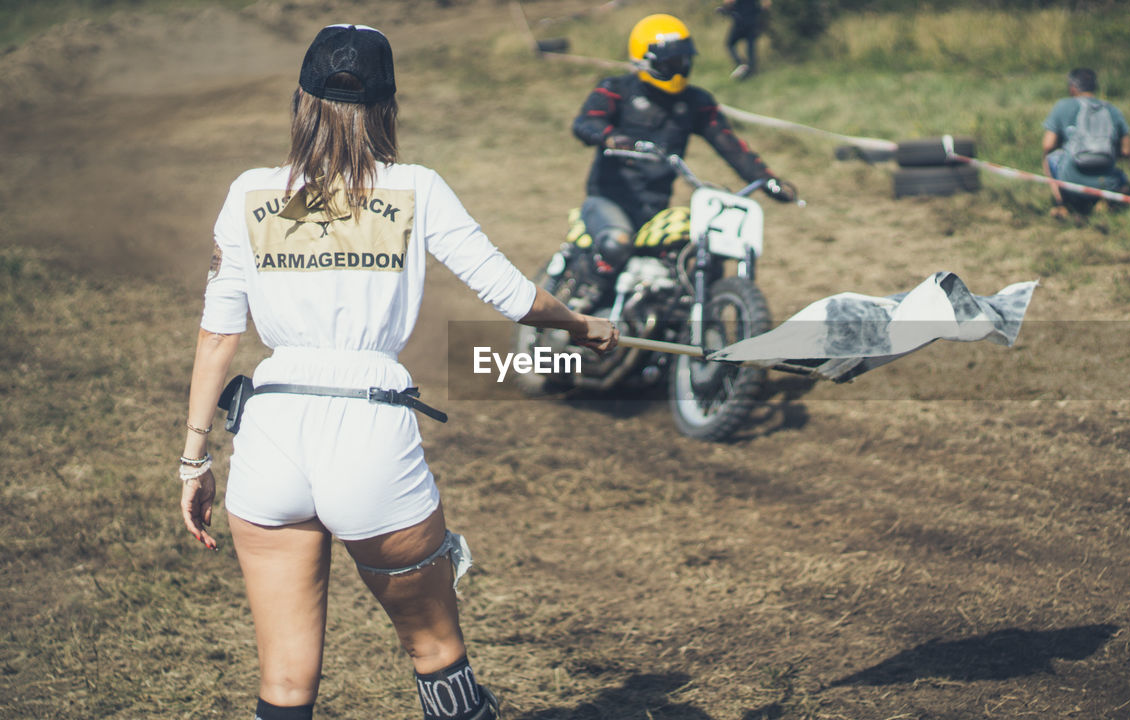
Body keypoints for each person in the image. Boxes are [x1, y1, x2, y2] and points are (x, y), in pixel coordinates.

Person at [177, 24, 617, 720]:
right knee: (437, 652)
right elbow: (509, 295)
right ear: (389, 105)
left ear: (300, 99)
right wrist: (581, 325)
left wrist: (192, 463)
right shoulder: (416, 188)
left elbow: (217, 335)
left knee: (285, 686)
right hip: (370, 433)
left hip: (270, 435)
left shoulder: (248, 193)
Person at [570, 13, 795, 310]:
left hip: (655, 209)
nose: (680, 69)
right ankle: (583, 302)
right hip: (608, 199)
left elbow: (731, 145)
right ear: (645, 62)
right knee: (617, 243)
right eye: (670, 63)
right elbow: (586, 122)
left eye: (684, 60)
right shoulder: (616, 89)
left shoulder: (696, 102)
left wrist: (768, 181)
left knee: (697, 252)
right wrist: (609, 137)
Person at [1041, 68, 1130, 219]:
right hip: (1107, 182)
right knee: (1119, 174)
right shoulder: (1113, 110)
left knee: (1050, 157)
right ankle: (1104, 200)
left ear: (1072, 88)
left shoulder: (1062, 106)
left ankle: (1062, 204)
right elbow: (1126, 151)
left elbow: (1048, 145)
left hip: (1071, 179)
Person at [719, 0, 769, 80]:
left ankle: (741, 64)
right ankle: (752, 71)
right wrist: (760, 11)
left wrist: (725, 8)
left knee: (730, 43)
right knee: (751, 47)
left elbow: (729, 1)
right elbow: (767, 4)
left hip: (740, 20)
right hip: (753, 20)